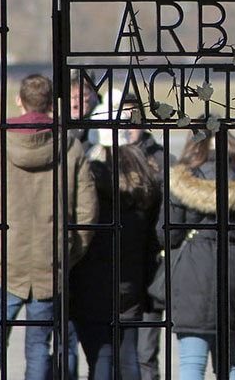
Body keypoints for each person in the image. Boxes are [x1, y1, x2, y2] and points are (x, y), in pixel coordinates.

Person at [0, 74, 98, 380]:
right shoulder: (69, 144)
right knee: (39, 345)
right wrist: (69, 253)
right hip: (50, 261)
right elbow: (88, 213)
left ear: (18, 101)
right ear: (52, 105)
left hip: (4, 259)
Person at [162, 131, 235, 380]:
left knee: (191, 365)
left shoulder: (182, 180)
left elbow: (170, 234)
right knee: (228, 364)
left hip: (193, 273)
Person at [70, 144, 160, 380]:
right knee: (129, 357)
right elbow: (152, 244)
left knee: (101, 358)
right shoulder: (143, 197)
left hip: (89, 285)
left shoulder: (92, 196)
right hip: (131, 285)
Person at [119, 93, 174, 380]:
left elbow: (170, 216)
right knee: (118, 351)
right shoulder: (108, 158)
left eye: (134, 118)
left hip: (154, 267)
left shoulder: (162, 159)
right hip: (120, 269)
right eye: (123, 117)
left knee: (146, 353)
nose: (128, 125)